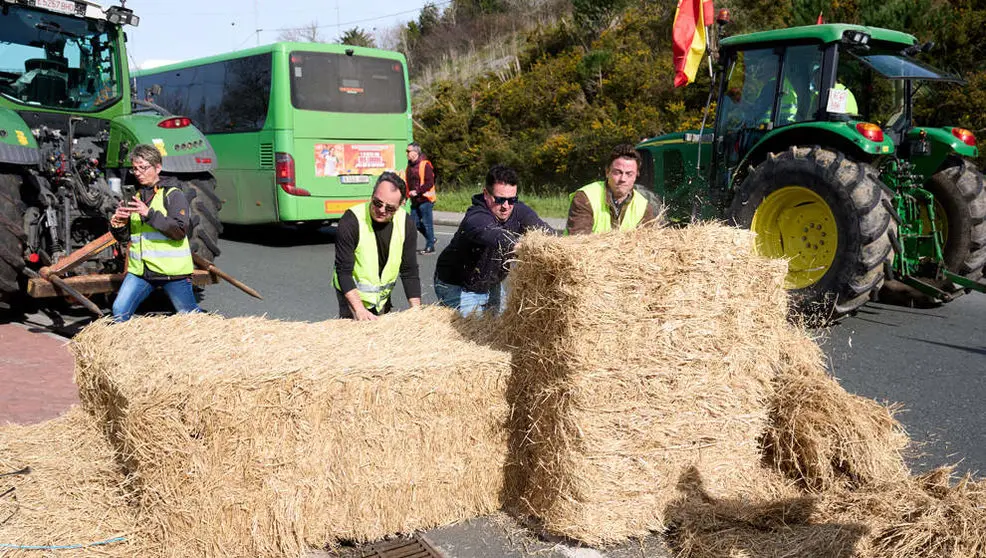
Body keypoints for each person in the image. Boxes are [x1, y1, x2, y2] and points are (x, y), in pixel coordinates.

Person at [435, 164, 554, 316]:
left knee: (498, 327)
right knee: (473, 334)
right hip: (458, 284)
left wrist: (559, 245)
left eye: (512, 199)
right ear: (486, 194)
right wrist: (519, 246)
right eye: (499, 199)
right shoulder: (476, 216)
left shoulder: (518, 210)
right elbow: (493, 235)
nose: (506, 206)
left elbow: (543, 230)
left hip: (490, 282)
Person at [109, 144, 201, 322]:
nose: (138, 173)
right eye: (135, 168)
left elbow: (180, 231)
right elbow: (128, 238)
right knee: (119, 310)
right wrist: (118, 224)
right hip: (141, 272)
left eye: (143, 168)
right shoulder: (135, 196)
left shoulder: (173, 195)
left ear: (158, 167)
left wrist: (148, 214)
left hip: (171, 273)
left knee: (190, 317)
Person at [332, 172, 421, 320]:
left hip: (381, 299)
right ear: (372, 195)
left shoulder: (406, 224)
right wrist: (359, 309)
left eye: (390, 208)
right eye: (377, 203)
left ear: (401, 205)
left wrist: (417, 311)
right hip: (352, 294)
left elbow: (409, 270)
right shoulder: (351, 220)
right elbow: (343, 272)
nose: (381, 210)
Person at [566, 144, 662, 234]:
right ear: (607, 172)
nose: (623, 179)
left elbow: (648, 244)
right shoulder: (585, 197)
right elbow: (579, 242)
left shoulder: (643, 206)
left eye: (629, 174)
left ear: (636, 175)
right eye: (618, 172)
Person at [405, 142, 437, 254]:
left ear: (415, 152)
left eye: (408, 151)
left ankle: (430, 246)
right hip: (415, 200)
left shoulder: (425, 165)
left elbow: (429, 183)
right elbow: (408, 183)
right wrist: (406, 196)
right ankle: (431, 239)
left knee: (427, 223)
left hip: (426, 199)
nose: (407, 153)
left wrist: (417, 191)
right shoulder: (409, 166)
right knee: (414, 223)